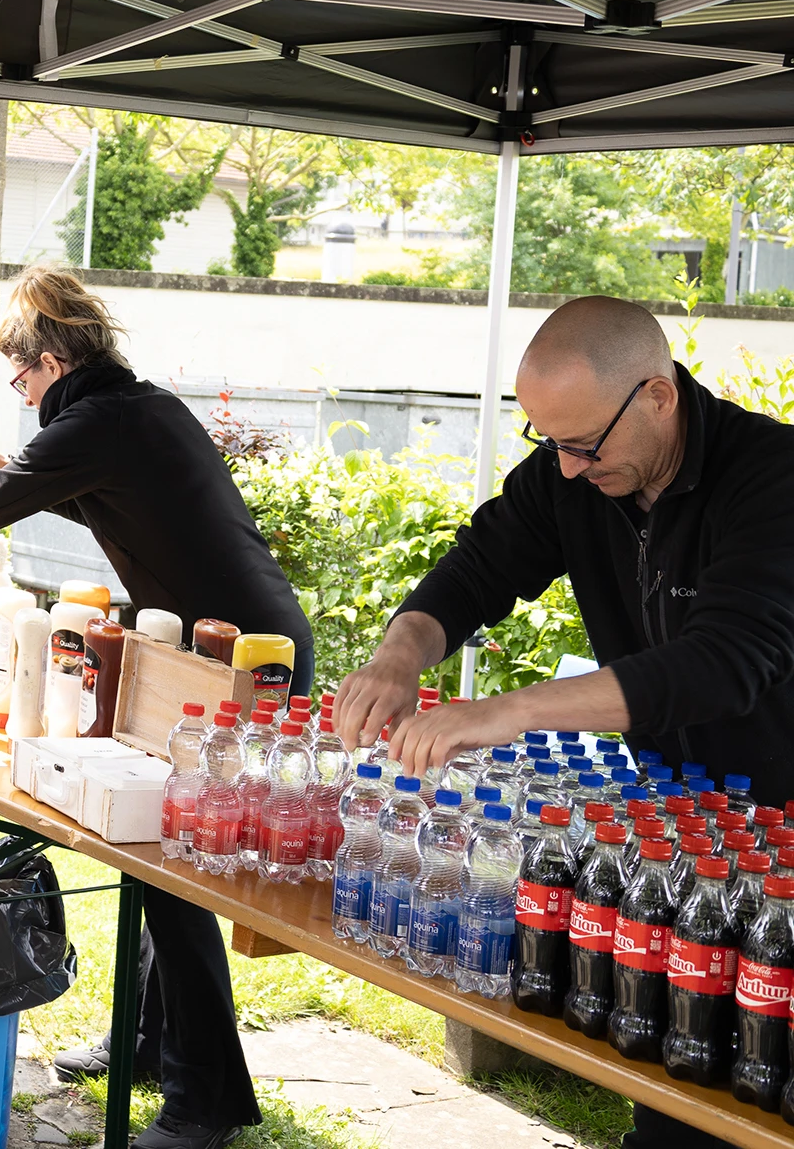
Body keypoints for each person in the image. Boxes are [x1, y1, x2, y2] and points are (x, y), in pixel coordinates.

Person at [334, 294, 794, 1149]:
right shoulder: (574, 472)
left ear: (659, 396)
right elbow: (476, 570)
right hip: (678, 830)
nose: (570, 469)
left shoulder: (774, 479)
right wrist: (400, 655)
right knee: (674, 1066)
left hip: (778, 837)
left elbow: (724, 661)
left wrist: (507, 712)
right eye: (550, 444)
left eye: (584, 444)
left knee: (763, 1085)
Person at [0, 266, 311, 1149]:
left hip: (243, 666)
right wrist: (3, 467)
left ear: (51, 363)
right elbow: (90, 495)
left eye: (20, 379)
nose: (19, 394)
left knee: (175, 869)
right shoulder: (132, 410)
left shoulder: (100, 421)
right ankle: (148, 1041)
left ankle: (204, 1100)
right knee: (157, 852)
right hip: (231, 646)